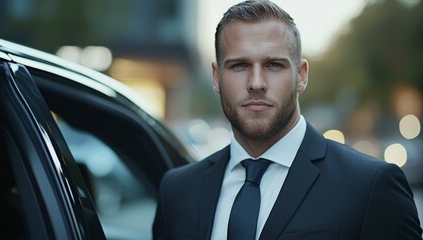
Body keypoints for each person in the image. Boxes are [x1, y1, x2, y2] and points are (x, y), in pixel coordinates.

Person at [152, 0, 423, 239]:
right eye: (239, 65)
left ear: (301, 75)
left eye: (273, 65)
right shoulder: (177, 191)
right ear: (216, 77)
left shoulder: (370, 186)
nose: (256, 83)